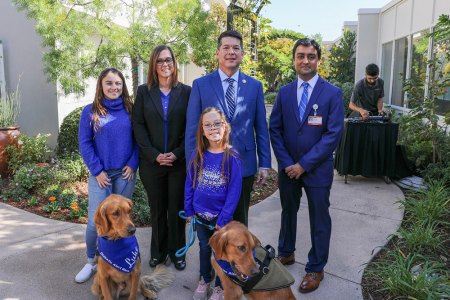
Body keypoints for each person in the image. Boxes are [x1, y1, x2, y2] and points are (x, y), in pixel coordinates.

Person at [269, 38, 344, 293]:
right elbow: (275, 129)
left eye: (311, 56)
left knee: (319, 218)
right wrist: (288, 163)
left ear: (318, 60)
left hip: (317, 170)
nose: (305, 61)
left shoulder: (332, 93)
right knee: (287, 212)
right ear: (294, 60)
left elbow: (333, 135)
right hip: (288, 169)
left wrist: (304, 164)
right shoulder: (285, 92)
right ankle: (286, 252)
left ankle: (315, 267)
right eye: (300, 56)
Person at [185, 30, 271, 227]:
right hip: (209, 168)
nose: (231, 52)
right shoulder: (200, 85)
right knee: (209, 229)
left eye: (236, 48)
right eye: (226, 47)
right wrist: (192, 167)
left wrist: (264, 163)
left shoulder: (254, 86)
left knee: (239, 225)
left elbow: (261, 128)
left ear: (242, 54)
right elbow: (192, 129)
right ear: (217, 53)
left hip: (244, 165)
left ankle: (237, 259)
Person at [76, 67, 139, 283]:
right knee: (96, 222)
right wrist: (97, 171)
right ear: (101, 86)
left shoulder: (131, 110)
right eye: (109, 83)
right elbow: (85, 144)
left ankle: (118, 260)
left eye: (118, 83)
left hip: (125, 173)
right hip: (100, 175)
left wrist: (132, 164)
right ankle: (91, 261)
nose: (114, 87)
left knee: (121, 220)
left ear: (123, 86)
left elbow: (139, 140)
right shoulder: (90, 111)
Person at [132, 45, 191, 271]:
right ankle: (158, 252)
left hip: (179, 163)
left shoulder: (187, 92)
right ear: (153, 65)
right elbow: (138, 125)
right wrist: (154, 154)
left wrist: (176, 153)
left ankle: (177, 252)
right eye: (160, 61)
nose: (165, 64)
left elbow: (191, 126)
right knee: (157, 209)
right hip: (152, 164)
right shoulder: (143, 91)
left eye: (169, 60)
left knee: (176, 209)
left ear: (175, 63)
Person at [184, 107, 242, 300]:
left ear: (224, 126)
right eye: (207, 125)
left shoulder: (231, 156)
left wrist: (224, 217)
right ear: (202, 129)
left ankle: (219, 286)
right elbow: (190, 183)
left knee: (221, 252)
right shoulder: (197, 155)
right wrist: (189, 208)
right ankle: (205, 279)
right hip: (200, 216)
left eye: (217, 123)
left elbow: (234, 191)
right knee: (204, 247)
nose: (212, 128)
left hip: (220, 218)